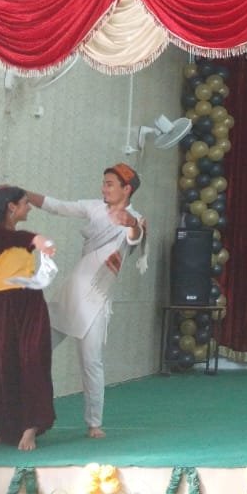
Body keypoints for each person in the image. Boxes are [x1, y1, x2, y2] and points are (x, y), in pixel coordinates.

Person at [23, 163, 146, 439]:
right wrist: (25, 193)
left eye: (110, 184)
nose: (104, 188)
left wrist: (131, 224)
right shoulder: (94, 207)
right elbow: (58, 206)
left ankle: (94, 422)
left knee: (91, 362)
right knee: (35, 349)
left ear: (127, 189)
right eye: (104, 183)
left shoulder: (136, 218)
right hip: (72, 292)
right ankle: (25, 416)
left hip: (97, 299)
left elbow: (134, 238)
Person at [0, 186, 57, 451]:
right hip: (3, 304)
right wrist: (36, 239)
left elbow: (20, 241)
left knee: (33, 359)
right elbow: (13, 239)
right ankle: (5, 427)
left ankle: (30, 427)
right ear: (11, 207)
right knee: (1, 364)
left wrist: (37, 244)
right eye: (25, 203)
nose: (29, 207)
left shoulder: (14, 236)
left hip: (30, 303)